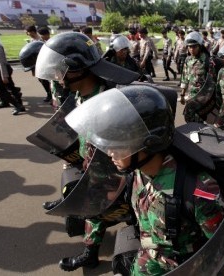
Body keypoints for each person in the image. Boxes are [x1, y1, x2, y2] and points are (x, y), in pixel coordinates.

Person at [64, 86, 224, 275]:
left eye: (119, 144)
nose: (110, 152)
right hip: (149, 257)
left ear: (148, 143)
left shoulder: (199, 191)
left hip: (183, 268)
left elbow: (219, 249)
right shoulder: (135, 172)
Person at [34, 31, 140, 272]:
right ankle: (91, 252)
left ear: (77, 69)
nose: (57, 77)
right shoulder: (81, 96)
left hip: (115, 172)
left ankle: (108, 249)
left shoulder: (109, 101)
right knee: (92, 209)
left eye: (61, 70)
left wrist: (118, 182)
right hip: (91, 164)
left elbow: (130, 148)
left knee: (104, 210)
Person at [180, 31, 217, 122]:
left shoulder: (208, 61)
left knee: (200, 123)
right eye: (189, 47)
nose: (191, 49)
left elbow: (213, 82)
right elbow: (185, 78)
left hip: (203, 99)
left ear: (199, 46)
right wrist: (182, 94)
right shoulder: (188, 60)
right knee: (188, 119)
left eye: (194, 46)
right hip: (191, 97)